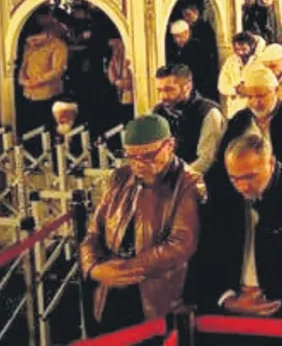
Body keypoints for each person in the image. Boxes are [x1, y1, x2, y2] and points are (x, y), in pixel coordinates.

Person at [189, 129, 282, 320]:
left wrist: (272, 300)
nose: (242, 187)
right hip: (229, 309)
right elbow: (206, 254)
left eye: (250, 177)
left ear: (271, 163)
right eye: (234, 178)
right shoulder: (219, 187)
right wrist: (227, 300)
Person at [79, 115, 201, 335]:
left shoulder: (188, 182)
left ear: (170, 145)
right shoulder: (120, 177)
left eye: (148, 155)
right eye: (131, 156)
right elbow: (93, 234)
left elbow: (180, 245)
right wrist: (94, 269)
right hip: (111, 293)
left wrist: (122, 270)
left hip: (160, 299)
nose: (138, 164)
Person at [219, 66, 282, 180]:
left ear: (276, 91)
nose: (255, 102)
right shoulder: (239, 119)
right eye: (250, 96)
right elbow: (221, 160)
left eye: (261, 96)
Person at [152, 64, 224, 175]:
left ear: (188, 87)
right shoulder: (158, 111)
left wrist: (175, 178)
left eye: (169, 89)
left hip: (197, 180)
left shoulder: (209, 113)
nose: (163, 96)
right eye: (159, 90)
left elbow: (206, 160)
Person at [166, 20, 217, 101]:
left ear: (187, 33)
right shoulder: (175, 50)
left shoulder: (198, 48)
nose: (177, 40)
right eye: (175, 37)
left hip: (200, 90)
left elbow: (202, 73)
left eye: (179, 36)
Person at [218, 32, 263, 118]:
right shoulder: (230, 61)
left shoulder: (261, 61)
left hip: (255, 110)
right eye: (237, 49)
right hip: (234, 110)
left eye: (244, 49)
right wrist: (236, 90)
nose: (240, 53)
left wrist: (249, 90)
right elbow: (221, 86)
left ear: (252, 46)